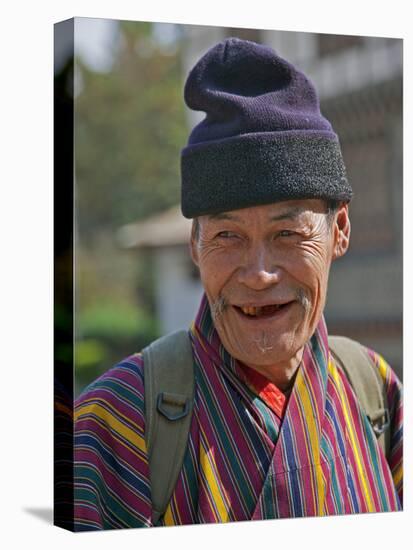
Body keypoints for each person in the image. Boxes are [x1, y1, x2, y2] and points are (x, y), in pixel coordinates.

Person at [73, 37, 403, 530]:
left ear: (340, 231)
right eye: (227, 236)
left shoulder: (373, 391)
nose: (259, 273)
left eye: (287, 234)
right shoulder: (115, 423)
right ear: (195, 244)